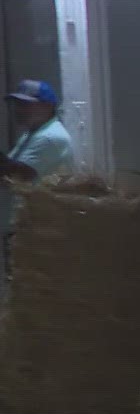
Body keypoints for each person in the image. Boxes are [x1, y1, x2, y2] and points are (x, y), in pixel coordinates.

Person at [0, 79, 76, 276]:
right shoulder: (33, 134)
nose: (19, 109)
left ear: (48, 106)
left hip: (38, 229)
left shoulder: (50, 137)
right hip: (25, 225)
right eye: (17, 104)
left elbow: (16, 175)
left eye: (26, 104)